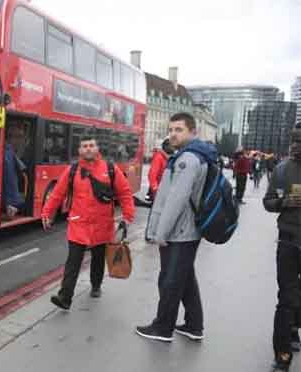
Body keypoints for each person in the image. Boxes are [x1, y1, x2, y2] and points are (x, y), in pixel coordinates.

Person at [137, 112, 217, 342]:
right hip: (188, 229)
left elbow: (176, 200)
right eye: (171, 129)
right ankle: (194, 324)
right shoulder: (197, 155)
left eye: (179, 129)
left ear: (193, 132)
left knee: (170, 281)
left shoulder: (187, 159)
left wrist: (160, 234)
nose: (172, 134)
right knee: (185, 278)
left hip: (179, 231)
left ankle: (162, 328)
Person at [42, 135, 135, 309]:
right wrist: (47, 212)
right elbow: (57, 194)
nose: (88, 149)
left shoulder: (110, 169)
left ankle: (96, 285)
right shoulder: (72, 171)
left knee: (98, 260)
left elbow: (124, 193)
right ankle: (65, 297)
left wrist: (128, 216)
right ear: (79, 150)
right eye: (85, 146)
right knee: (73, 262)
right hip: (79, 225)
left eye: (91, 145)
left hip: (102, 225)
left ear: (97, 148)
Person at [262, 129, 301, 372]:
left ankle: (293, 331)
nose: (296, 146)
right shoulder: (283, 169)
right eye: (295, 141)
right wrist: (285, 202)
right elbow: (268, 202)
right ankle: (282, 357)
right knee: (286, 298)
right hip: (289, 240)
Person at [2, 125, 27, 218]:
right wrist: (11, 203)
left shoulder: (12, 151)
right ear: (9, 138)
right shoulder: (8, 152)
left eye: (21, 137)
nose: (19, 141)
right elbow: (10, 178)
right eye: (16, 137)